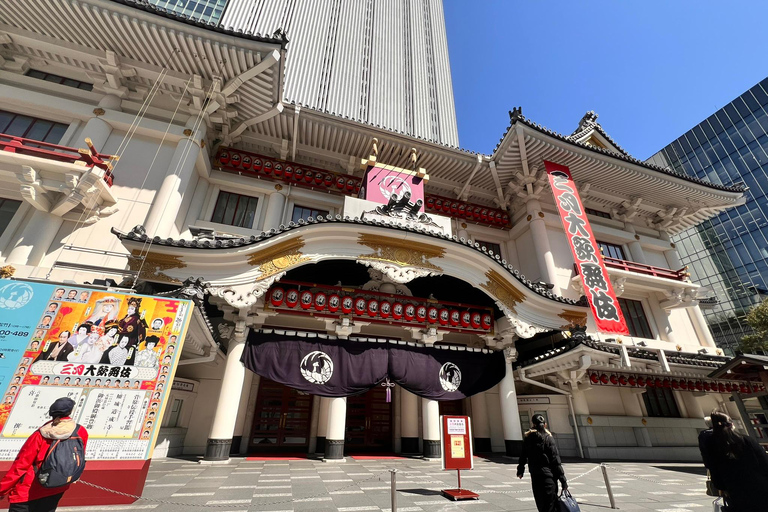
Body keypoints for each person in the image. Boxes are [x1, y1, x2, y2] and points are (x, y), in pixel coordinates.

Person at [0, 397, 88, 511]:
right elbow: (79, 458)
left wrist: (3, 489)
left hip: (29, 490)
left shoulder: (40, 434)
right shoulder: (80, 432)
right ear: (70, 412)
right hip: (57, 486)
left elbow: (21, 465)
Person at [698, 410, 768, 511]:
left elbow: (712, 468)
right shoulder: (746, 440)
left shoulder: (712, 445)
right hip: (760, 487)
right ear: (732, 424)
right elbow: (764, 462)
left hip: (735, 491)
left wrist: (722, 487)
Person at [517, 414, 568, 512]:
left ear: (533, 424)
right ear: (545, 424)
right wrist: (563, 480)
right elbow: (555, 460)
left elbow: (523, 456)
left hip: (535, 476)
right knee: (551, 505)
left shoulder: (528, 438)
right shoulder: (548, 438)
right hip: (549, 477)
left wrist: (520, 470)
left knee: (541, 504)